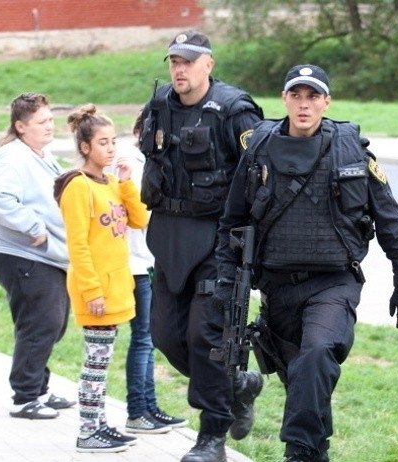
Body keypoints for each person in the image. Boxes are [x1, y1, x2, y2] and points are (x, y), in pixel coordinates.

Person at [216, 64, 398, 462]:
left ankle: (297, 453)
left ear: (327, 102)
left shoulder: (351, 151)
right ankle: (314, 452)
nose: (304, 104)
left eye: (313, 96)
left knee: (317, 353)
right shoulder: (258, 149)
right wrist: (226, 280)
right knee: (304, 385)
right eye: (296, 95)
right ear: (285, 99)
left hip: (334, 283)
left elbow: (391, 222)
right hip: (276, 286)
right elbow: (232, 222)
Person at [138, 29, 265, 462]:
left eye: (188, 61)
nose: (179, 69)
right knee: (165, 337)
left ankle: (211, 438)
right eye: (174, 61)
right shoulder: (158, 107)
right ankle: (236, 386)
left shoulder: (234, 111)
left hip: (217, 241)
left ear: (208, 65)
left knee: (206, 337)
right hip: (168, 236)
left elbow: (262, 180)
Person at [54, 104, 149, 453]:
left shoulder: (110, 182)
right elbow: (77, 245)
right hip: (95, 290)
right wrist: (91, 290)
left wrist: (125, 184)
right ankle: (88, 432)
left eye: (114, 142)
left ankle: (99, 425)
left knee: (102, 361)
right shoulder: (78, 187)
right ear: (85, 148)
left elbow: (139, 220)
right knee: (95, 364)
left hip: (115, 286)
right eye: (104, 143)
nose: (111, 149)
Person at [0, 92, 76, 420]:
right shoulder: (11, 156)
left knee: (53, 323)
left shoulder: (40, 153)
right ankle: (25, 398)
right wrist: (33, 226)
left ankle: (39, 389)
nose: (49, 126)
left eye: (50, 120)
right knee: (41, 323)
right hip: (22, 254)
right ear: (21, 126)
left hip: (46, 255)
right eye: (41, 122)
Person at [108, 115, 187, 434]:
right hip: (134, 263)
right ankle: (138, 411)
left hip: (144, 260)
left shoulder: (143, 159)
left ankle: (148, 408)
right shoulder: (129, 160)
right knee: (142, 338)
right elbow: (135, 212)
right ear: (143, 131)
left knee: (148, 338)